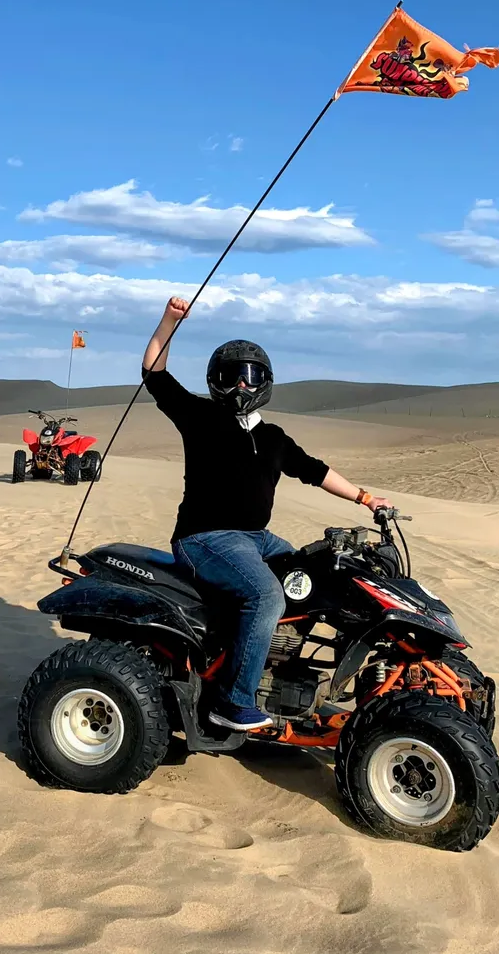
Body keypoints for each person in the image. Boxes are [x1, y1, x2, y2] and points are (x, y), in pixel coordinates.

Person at [142, 296, 393, 732]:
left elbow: (315, 471)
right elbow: (154, 374)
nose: (242, 384)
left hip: (256, 537)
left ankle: (282, 671)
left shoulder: (273, 437)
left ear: (265, 381)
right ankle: (232, 701)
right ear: (216, 381)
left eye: (251, 375)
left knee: (311, 577)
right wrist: (169, 322)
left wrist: (366, 498)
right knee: (266, 595)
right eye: (232, 376)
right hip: (205, 538)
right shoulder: (200, 417)